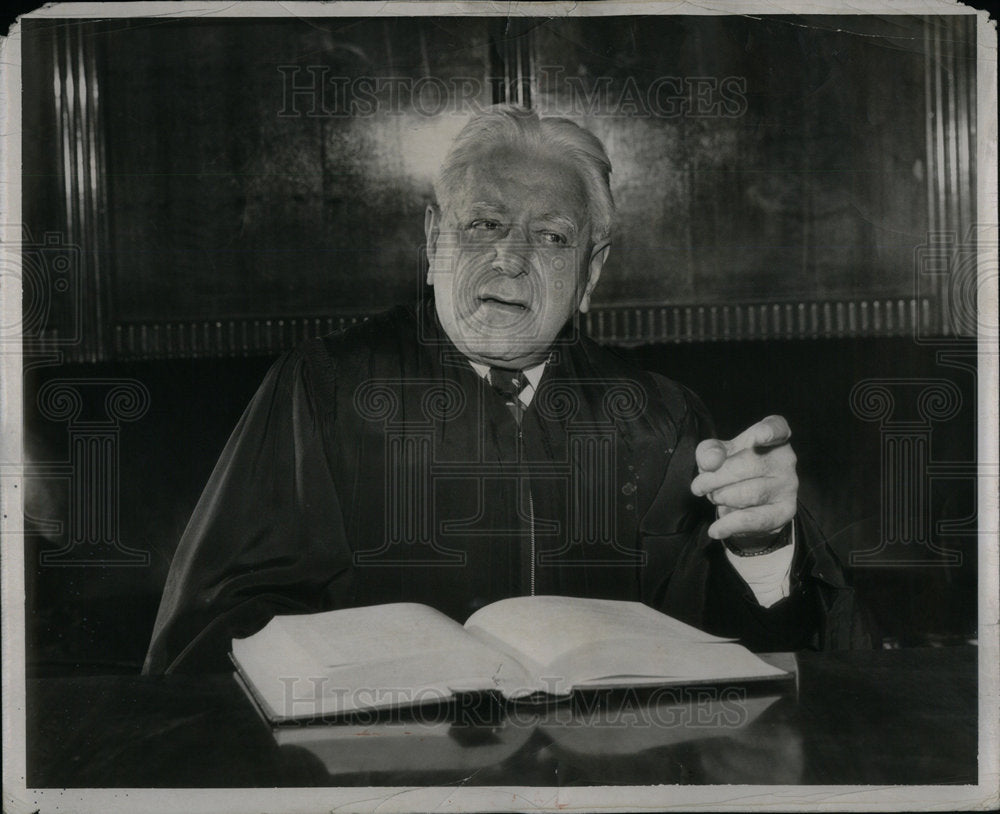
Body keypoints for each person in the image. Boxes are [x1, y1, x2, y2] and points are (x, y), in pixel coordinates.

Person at [143, 105, 869, 674]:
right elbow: (217, 634)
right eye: (483, 224)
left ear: (591, 274)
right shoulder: (323, 390)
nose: (510, 259)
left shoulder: (660, 419)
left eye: (552, 238)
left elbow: (742, 662)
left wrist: (764, 548)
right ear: (433, 242)